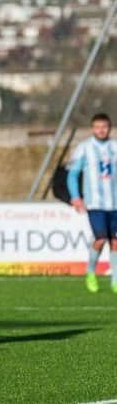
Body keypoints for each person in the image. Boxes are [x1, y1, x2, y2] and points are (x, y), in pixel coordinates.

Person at [67, 112, 117, 294]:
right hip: (95, 203)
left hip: (115, 203)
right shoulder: (84, 148)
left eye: (104, 127)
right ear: (92, 129)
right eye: (97, 127)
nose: (101, 130)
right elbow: (72, 175)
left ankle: (115, 280)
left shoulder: (115, 147)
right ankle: (90, 272)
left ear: (109, 128)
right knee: (101, 238)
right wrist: (76, 197)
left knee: (115, 241)